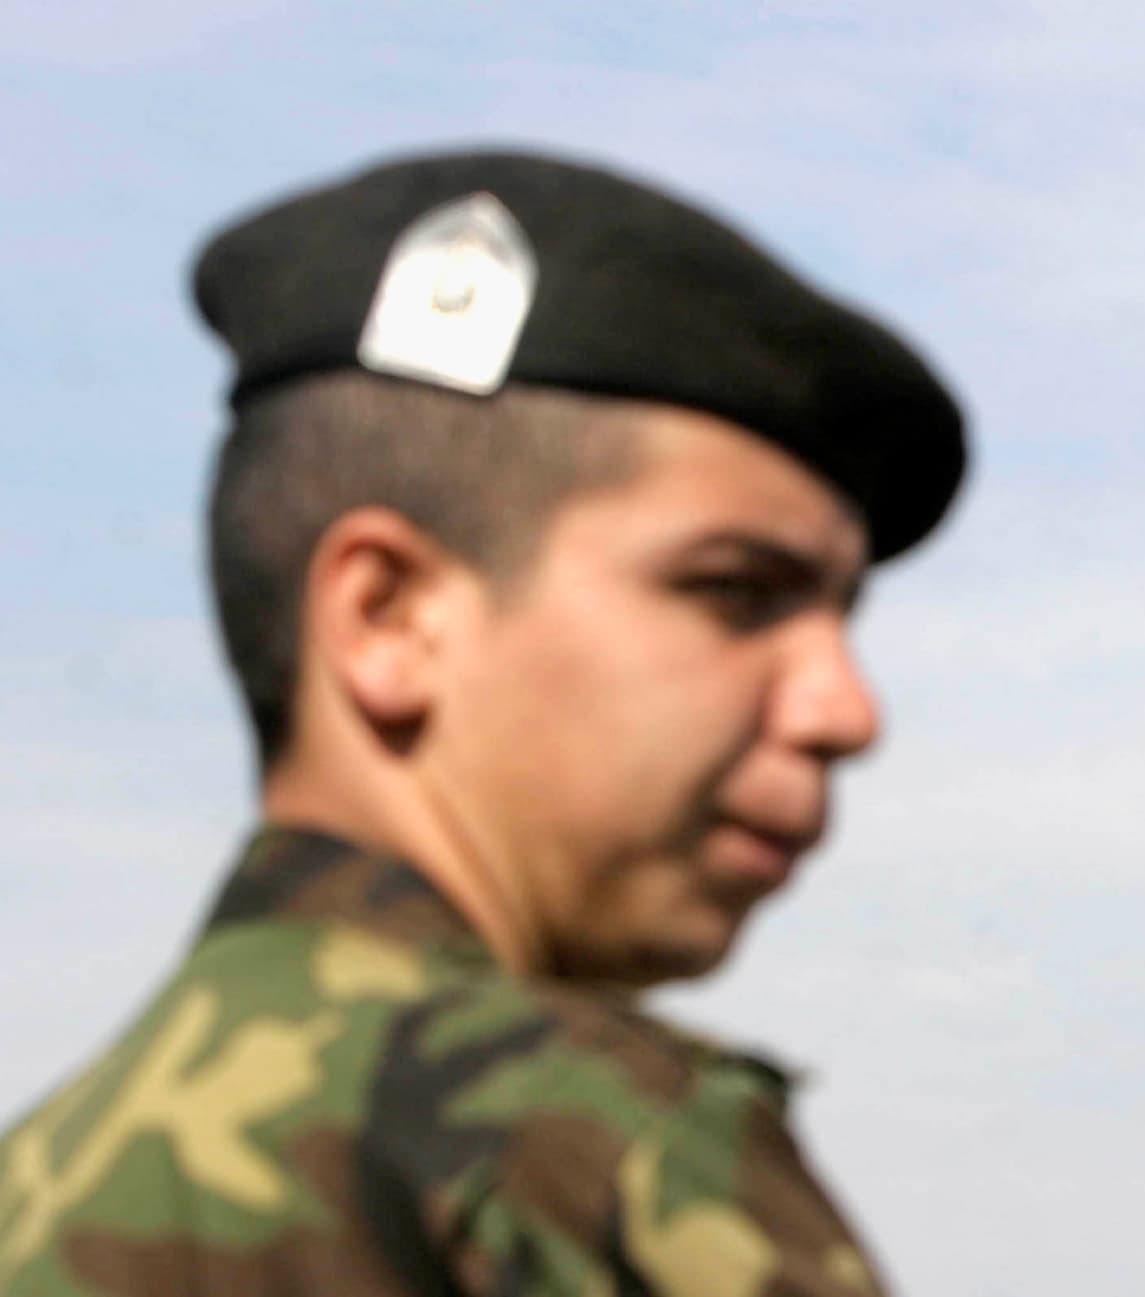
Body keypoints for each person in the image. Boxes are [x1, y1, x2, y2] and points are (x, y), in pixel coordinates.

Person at [0, 147, 967, 1296]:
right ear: (389, 616)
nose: (845, 711)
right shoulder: (580, 1150)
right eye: (735, 592)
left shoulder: (43, 1183)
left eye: (840, 616)